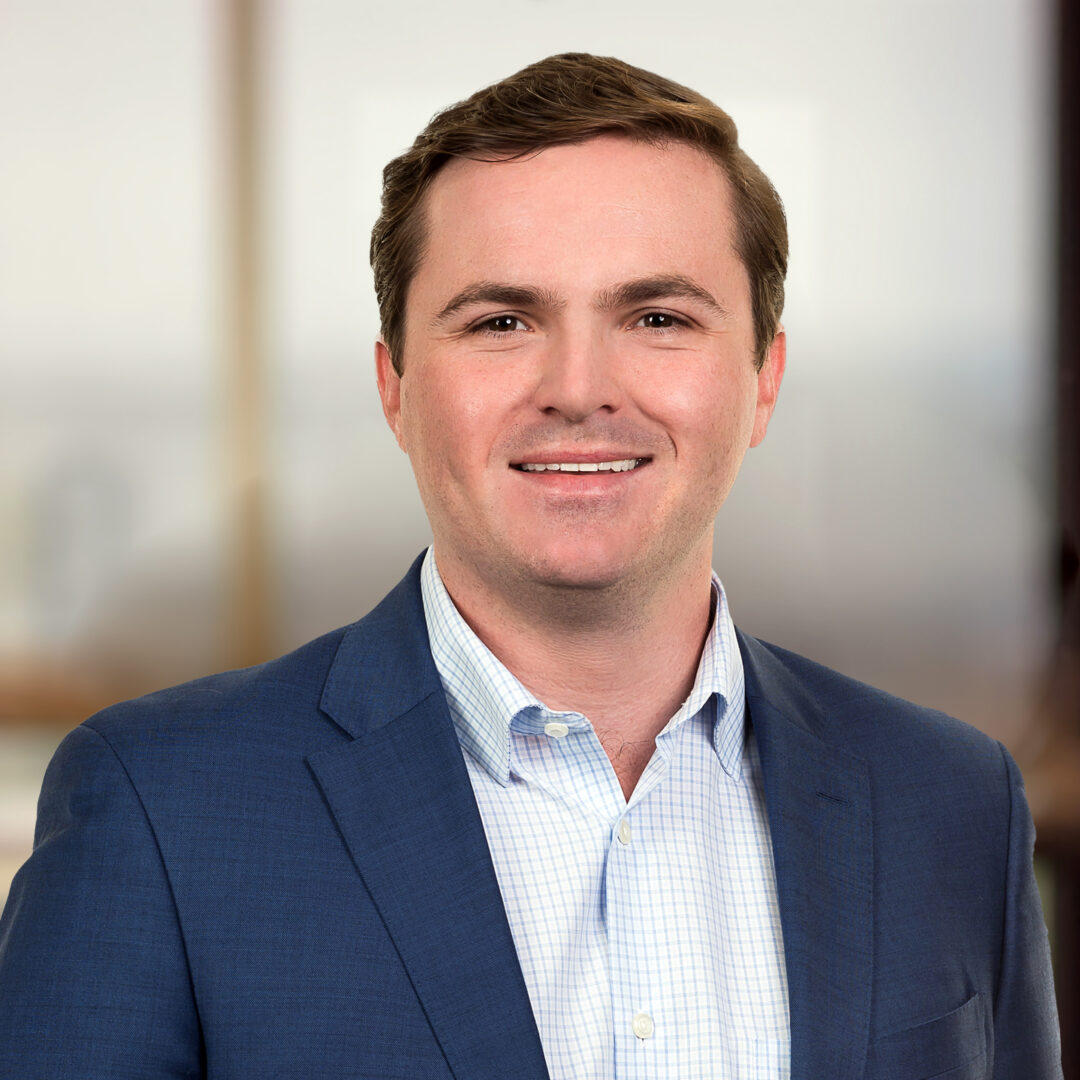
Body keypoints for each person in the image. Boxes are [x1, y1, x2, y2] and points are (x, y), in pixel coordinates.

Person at [0, 53, 1062, 1080]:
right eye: (502, 320)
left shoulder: (950, 803)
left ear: (764, 379)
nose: (578, 386)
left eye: (657, 317)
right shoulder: (161, 810)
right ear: (398, 391)